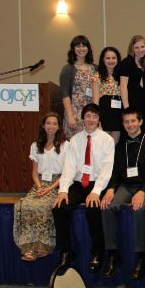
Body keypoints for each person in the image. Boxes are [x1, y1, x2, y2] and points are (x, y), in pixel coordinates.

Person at [52, 103, 115, 272]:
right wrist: (63, 190)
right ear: (83, 118)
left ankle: (97, 251)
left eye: (95, 116)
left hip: (97, 184)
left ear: (99, 119)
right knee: (59, 207)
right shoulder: (75, 140)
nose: (91, 119)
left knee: (93, 208)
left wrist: (96, 192)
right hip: (79, 184)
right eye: (88, 116)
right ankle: (66, 251)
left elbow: (106, 169)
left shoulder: (107, 140)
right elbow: (69, 168)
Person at [100, 108, 145, 279]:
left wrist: (143, 191)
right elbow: (114, 172)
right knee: (106, 206)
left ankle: (141, 256)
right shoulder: (119, 146)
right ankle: (113, 253)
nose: (130, 125)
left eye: (133, 121)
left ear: (140, 122)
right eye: (126, 122)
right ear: (123, 124)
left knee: (139, 209)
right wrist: (110, 189)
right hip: (125, 186)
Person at [14, 112, 69, 262]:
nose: (51, 126)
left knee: (43, 206)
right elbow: (34, 172)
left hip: (57, 184)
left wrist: (49, 189)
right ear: (43, 126)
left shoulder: (65, 145)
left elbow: (66, 173)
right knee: (26, 205)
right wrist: (39, 188)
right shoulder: (35, 145)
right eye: (48, 123)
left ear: (59, 127)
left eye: (54, 124)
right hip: (40, 184)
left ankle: (41, 248)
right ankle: (28, 248)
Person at [60, 35, 96, 139]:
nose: (81, 49)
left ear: (88, 48)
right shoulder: (68, 69)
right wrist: (70, 116)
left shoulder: (95, 68)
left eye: (84, 46)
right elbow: (64, 93)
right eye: (78, 46)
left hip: (91, 112)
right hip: (74, 112)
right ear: (73, 49)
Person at [92, 47, 123, 143]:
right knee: (104, 142)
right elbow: (95, 100)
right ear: (103, 60)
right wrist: (97, 118)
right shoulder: (97, 76)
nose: (111, 61)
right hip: (104, 111)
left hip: (118, 112)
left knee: (116, 142)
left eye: (114, 58)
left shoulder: (122, 75)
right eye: (108, 58)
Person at [119, 35, 145, 113]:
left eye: (142, 46)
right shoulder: (126, 63)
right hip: (132, 103)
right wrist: (126, 108)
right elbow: (123, 86)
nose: (140, 50)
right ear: (132, 49)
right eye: (136, 47)